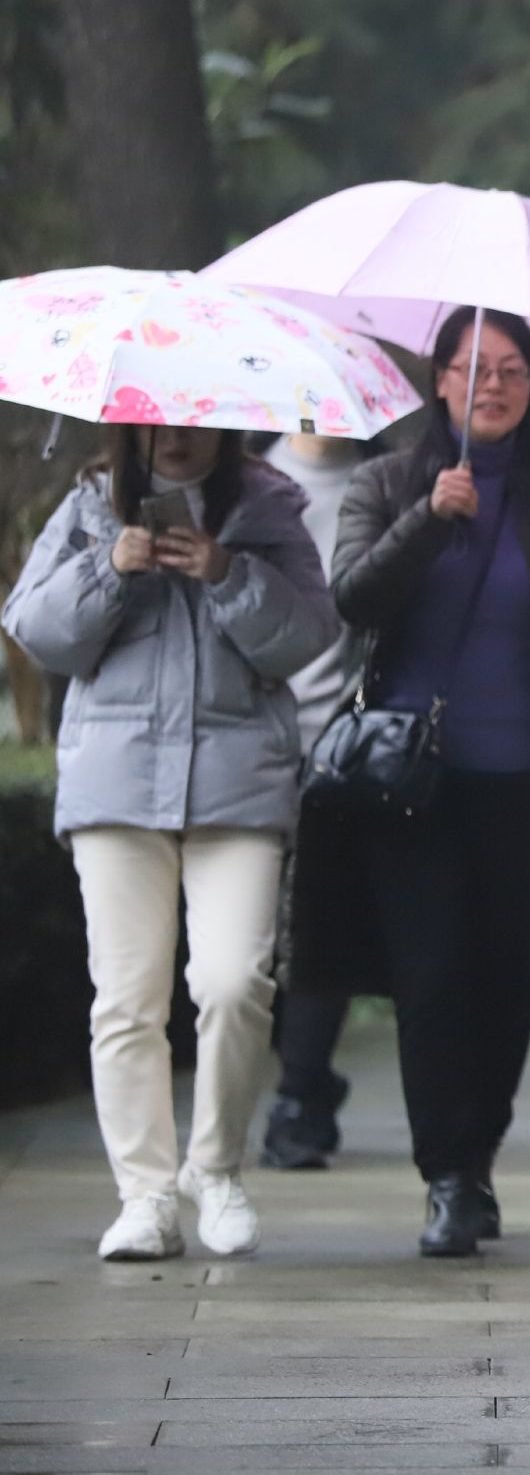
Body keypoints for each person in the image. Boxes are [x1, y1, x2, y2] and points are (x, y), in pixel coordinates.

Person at [287, 305, 530, 1257]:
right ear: (440, 380)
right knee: (431, 980)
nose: (493, 385)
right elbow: (351, 599)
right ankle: (447, 1178)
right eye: (474, 368)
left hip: (526, 780)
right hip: (408, 782)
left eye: (511, 370)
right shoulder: (389, 479)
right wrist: (430, 520)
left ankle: (480, 1156)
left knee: (509, 980)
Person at [3, 423, 338, 1259]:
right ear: (130, 424)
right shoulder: (87, 506)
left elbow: (310, 635)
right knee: (127, 999)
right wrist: (106, 569)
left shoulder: (267, 507)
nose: (177, 436)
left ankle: (216, 1171)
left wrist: (228, 575)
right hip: (117, 782)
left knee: (234, 983)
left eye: (193, 419)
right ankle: (145, 1195)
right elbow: (34, 629)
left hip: (239, 785)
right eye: (157, 420)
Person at [256, 430, 372, 1172]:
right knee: (251, 940)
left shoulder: (383, 484)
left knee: (318, 918)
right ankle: (306, 1077)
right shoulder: (250, 481)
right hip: (250, 737)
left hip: (344, 742)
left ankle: (299, 1090)